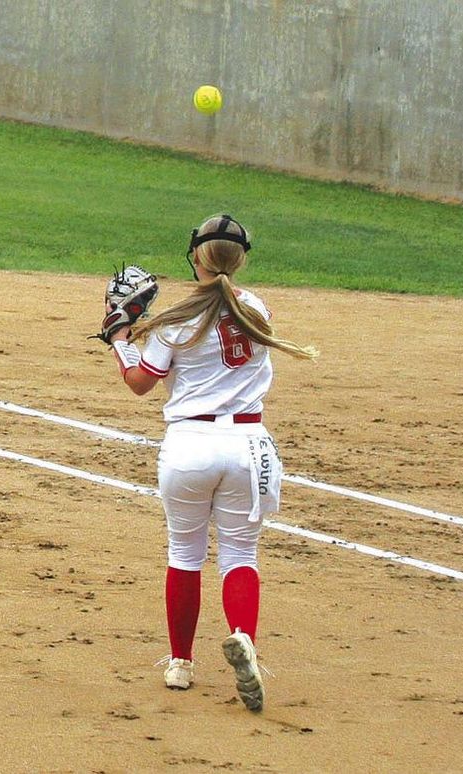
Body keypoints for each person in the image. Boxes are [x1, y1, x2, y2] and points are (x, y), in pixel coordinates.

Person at [106, 214, 317, 711]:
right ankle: (243, 637)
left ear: (196, 256)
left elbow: (140, 383)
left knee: (185, 554)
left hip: (189, 447)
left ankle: (180, 663)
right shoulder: (257, 309)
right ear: (240, 260)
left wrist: (119, 340)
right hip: (249, 447)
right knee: (240, 555)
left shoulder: (176, 320)